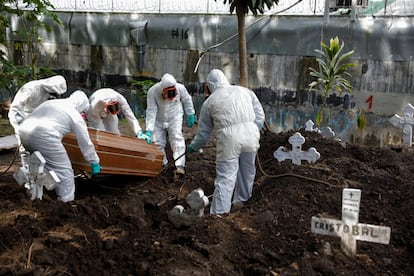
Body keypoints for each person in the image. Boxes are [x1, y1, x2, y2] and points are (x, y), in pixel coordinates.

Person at [187, 69, 265, 215]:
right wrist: (253, 130)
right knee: (247, 172)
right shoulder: (245, 91)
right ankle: (241, 202)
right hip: (251, 135)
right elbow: (260, 117)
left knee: (226, 178)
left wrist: (193, 147)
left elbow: (204, 134)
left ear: (209, 86)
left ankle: (219, 215)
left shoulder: (209, 102)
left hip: (229, 140)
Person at [18, 90, 101, 202]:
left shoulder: (52, 103)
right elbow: (85, 142)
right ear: (81, 106)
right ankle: (66, 203)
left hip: (24, 132)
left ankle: (33, 191)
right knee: (65, 173)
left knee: (40, 165)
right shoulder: (74, 114)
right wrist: (94, 161)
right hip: (44, 136)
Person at [143, 73, 196, 175]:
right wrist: (149, 129)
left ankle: (180, 166)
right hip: (158, 119)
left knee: (177, 139)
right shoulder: (153, 91)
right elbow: (151, 110)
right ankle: (162, 164)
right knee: (157, 142)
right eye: (168, 93)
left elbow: (187, 99)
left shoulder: (180, 88)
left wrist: (190, 113)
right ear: (163, 91)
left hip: (174, 118)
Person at [8, 75, 67, 147]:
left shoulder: (51, 94)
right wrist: (22, 125)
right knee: (26, 145)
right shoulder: (30, 88)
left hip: (38, 119)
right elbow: (16, 108)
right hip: (24, 116)